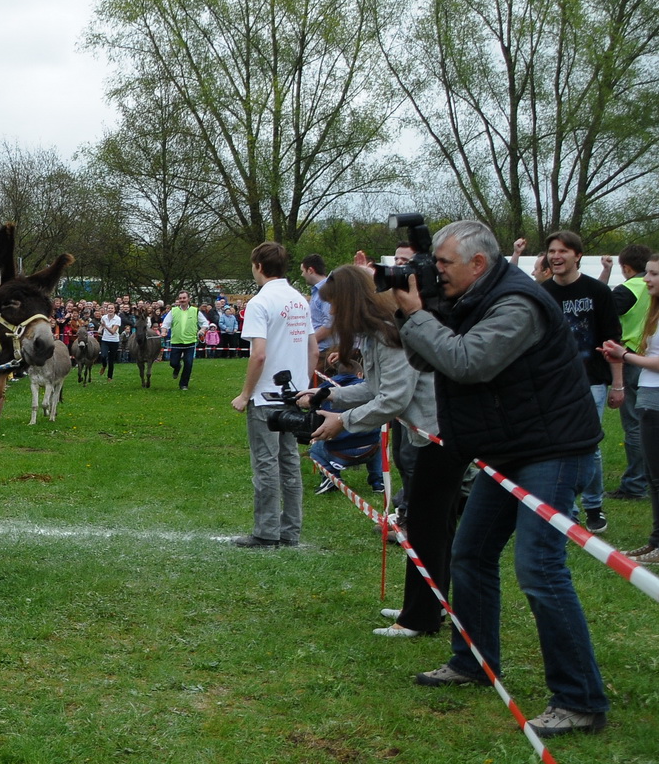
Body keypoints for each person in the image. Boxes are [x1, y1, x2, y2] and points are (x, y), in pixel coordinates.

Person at [397, 219, 609, 737]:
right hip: (509, 447)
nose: (435, 272)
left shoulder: (518, 304)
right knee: (470, 553)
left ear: (479, 264)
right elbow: (427, 358)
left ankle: (580, 699)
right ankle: (472, 662)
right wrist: (422, 313)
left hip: (553, 447)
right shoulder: (468, 298)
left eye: (443, 264)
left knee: (539, 566)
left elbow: (468, 362)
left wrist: (420, 315)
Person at [303, 268, 457, 637]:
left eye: (335, 307)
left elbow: (394, 398)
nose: (333, 317)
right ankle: (420, 607)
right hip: (423, 441)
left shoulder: (390, 334)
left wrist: (343, 422)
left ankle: (420, 618)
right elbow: (374, 387)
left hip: (438, 441)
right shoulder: (376, 335)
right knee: (422, 529)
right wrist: (330, 395)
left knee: (427, 531)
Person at [533, 231, 623, 533]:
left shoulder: (597, 291)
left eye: (563, 251)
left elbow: (613, 341)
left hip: (591, 380)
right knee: (559, 446)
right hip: (553, 383)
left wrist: (618, 384)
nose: (556, 256)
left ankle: (594, 505)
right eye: (552, 251)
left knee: (588, 447)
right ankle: (567, 510)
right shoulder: (542, 293)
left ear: (578, 255)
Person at [230, 243, 317, 548]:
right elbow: (313, 349)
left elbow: (259, 356)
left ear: (259, 266)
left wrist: (244, 394)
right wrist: (305, 387)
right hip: (293, 395)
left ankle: (266, 531)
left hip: (266, 398)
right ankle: (290, 530)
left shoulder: (260, 302)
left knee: (266, 464)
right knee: (290, 464)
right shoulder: (299, 300)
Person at [603, 245, 652, 501]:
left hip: (632, 358)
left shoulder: (629, 288)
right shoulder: (651, 286)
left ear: (626, 268)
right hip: (649, 357)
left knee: (635, 425)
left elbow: (601, 309)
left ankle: (635, 484)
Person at [161, 291, 209, 391]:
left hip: (190, 342)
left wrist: (202, 330)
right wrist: (164, 331)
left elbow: (205, 323)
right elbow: (166, 323)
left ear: (189, 299)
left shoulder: (195, 311)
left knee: (188, 363)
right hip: (176, 342)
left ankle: (183, 384)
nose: (182, 300)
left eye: (184, 298)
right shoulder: (173, 311)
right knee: (173, 363)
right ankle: (177, 368)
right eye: (180, 298)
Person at [301, 255, 332, 356]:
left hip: (324, 351)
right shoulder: (317, 292)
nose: (302, 275)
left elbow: (330, 324)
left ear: (310, 270)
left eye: (303, 271)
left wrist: (308, 342)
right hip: (320, 349)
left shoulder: (326, 290)